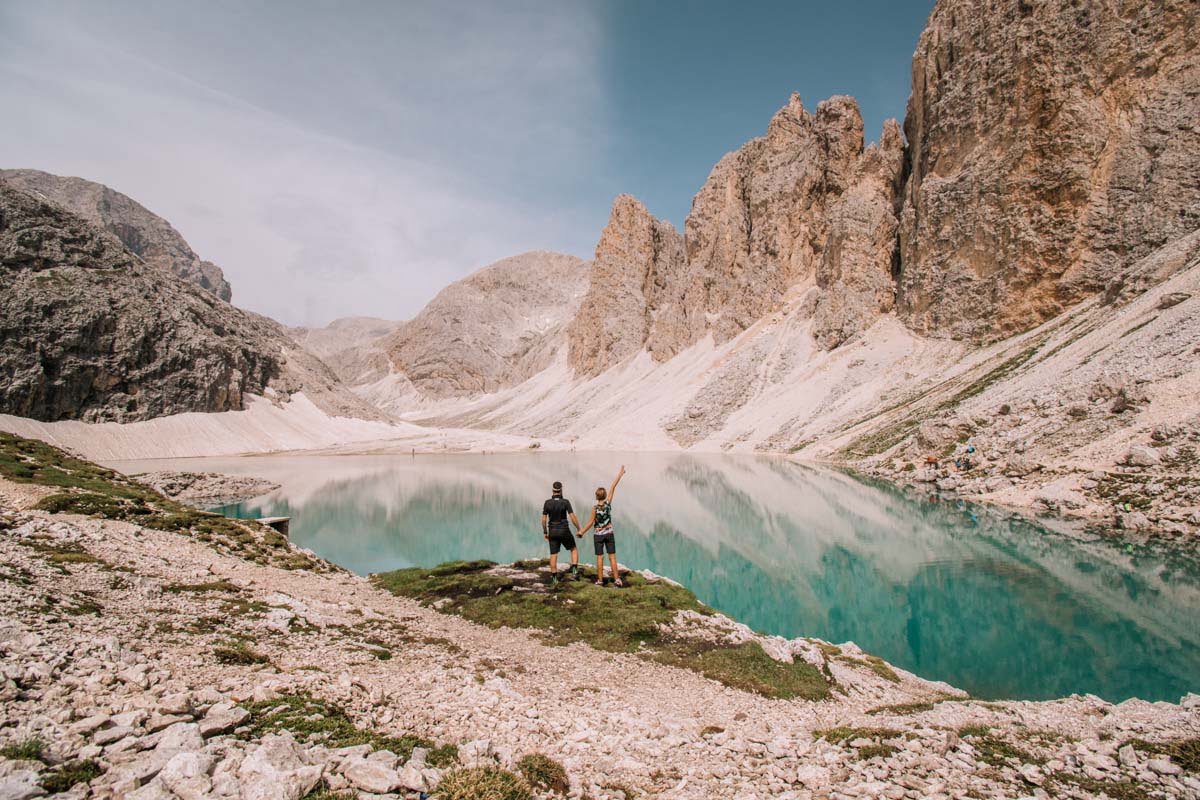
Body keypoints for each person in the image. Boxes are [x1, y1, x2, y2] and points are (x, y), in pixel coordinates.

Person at [579, 465, 625, 587]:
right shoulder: (608, 504)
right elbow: (613, 487)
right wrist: (620, 474)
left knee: (600, 558)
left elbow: (590, 522)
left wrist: (581, 532)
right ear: (604, 496)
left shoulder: (595, 508)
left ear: (596, 496)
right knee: (612, 557)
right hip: (609, 533)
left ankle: (600, 580)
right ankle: (617, 580)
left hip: (598, 535)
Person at [541, 480, 582, 584]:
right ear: (561, 490)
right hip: (564, 530)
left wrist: (545, 532)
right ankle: (574, 572)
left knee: (553, 554)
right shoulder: (565, 502)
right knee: (573, 548)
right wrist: (579, 529)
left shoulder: (547, 503)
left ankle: (555, 579)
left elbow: (544, 519)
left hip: (552, 531)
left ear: (553, 490)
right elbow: (572, 517)